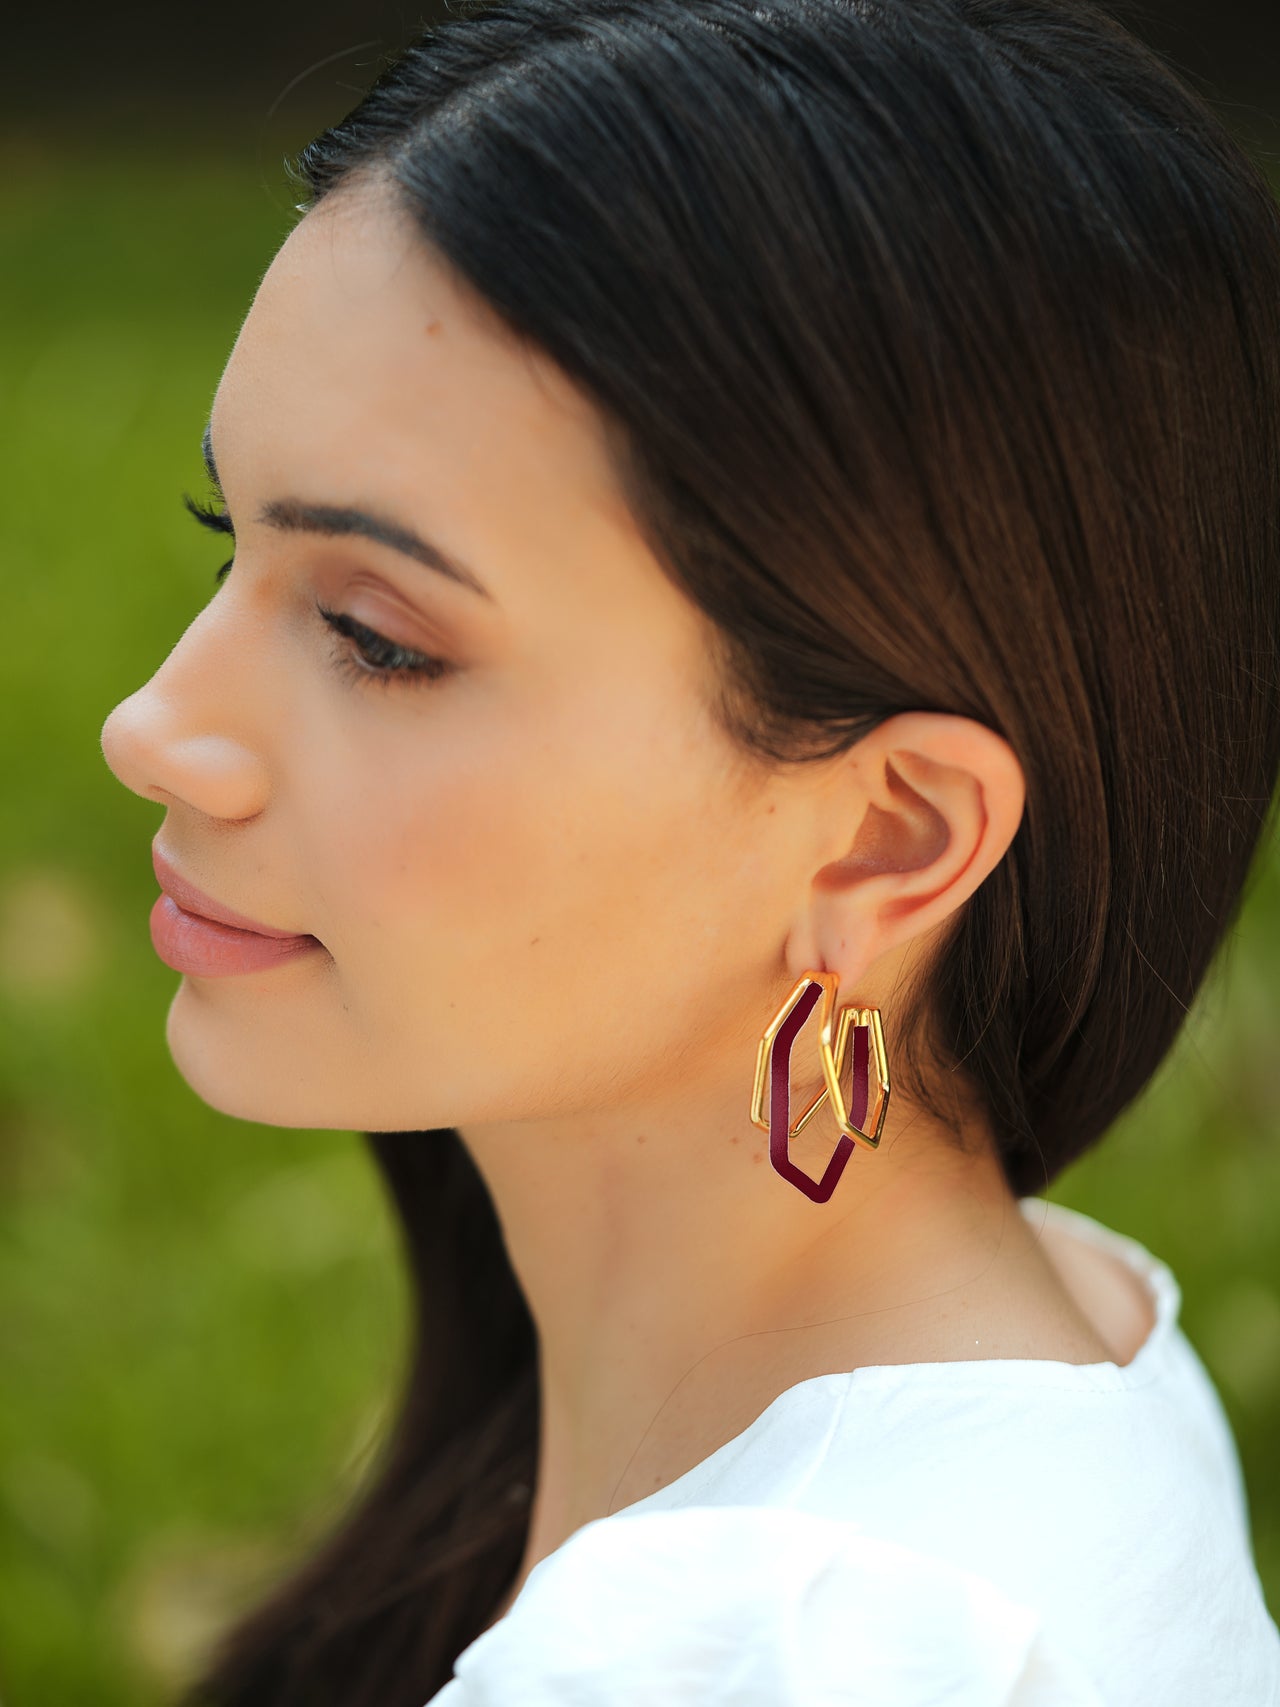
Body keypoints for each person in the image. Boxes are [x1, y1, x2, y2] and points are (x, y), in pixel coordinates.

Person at [98, 0, 1280, 1701]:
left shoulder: (768, 1648)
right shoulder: (1060, 1348)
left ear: (887, 840)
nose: (153, 725)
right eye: (232, 540)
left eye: (374, 634)